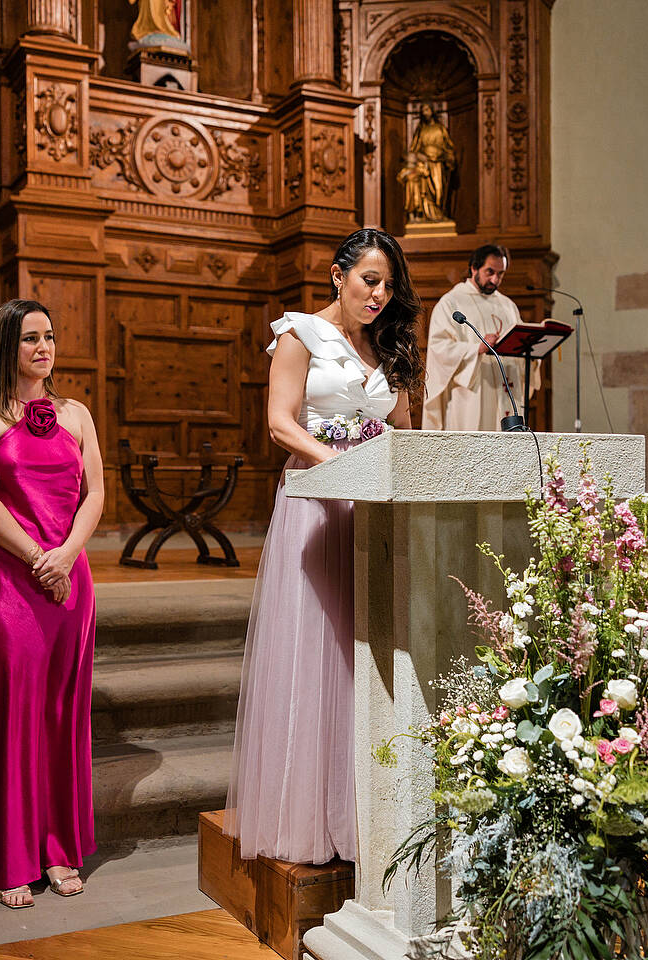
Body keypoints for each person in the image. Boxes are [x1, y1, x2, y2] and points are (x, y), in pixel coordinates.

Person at [226, 227, 423, 864]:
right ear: (337, 275)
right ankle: (311, 814)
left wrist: (396, 461)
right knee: (316, 651)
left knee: (367, 647)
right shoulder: (299, 335)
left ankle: (371, 808)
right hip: (317, 502)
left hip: (374, 509)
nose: (380, 295)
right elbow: (280, 422)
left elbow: (402, 427)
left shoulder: (387, 346)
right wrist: (337, 465)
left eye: (389, 286)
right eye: (371, 280)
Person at [0, 299, 104, 909]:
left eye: (50, 336)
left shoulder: (78, 414)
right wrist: (41, 557)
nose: (44, 347)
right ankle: (7, 853)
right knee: (7, 711)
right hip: (4, 579)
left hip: (70, 580)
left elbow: (95, 495)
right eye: (30, 338)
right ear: (4, 346)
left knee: (62, 714)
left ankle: (59, 846)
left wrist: (66, 556)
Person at [422, 243, 541, 430]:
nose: (495, 280)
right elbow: (439, 349)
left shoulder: (507, 306)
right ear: (474, 268)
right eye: (490, 272)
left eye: (500, 274)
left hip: (506, 395)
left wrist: (531, 354)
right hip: (471, 397)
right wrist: (477, 349)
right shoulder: (451, 303)